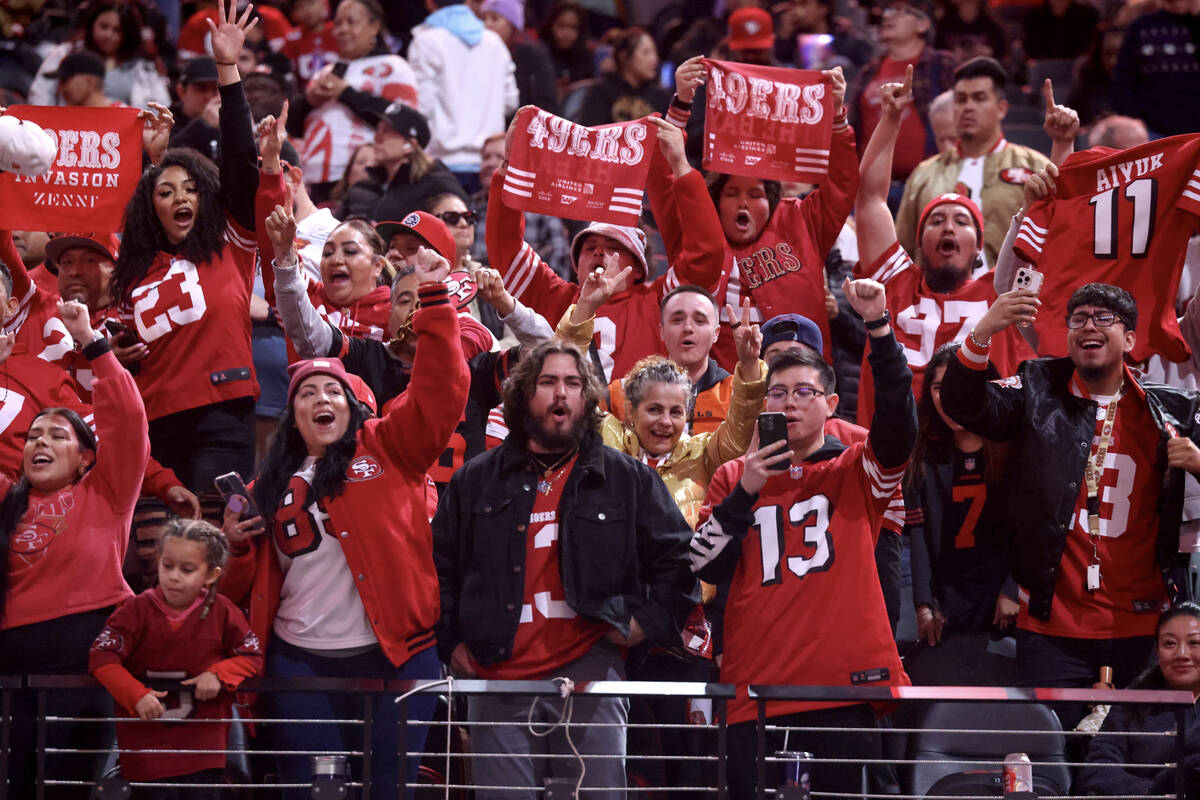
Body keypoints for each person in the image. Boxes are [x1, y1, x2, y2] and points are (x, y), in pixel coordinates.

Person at [433, 339, 698, 796]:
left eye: (573, 384)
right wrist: (450, 639)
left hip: (591, 669)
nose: (562, 393)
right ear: (522, 395)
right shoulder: (474, 479)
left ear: (586, 398)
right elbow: (437, 567)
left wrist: (644, 623)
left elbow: (680, 561)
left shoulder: (626, 477)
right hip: (496, 673)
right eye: (548, 382)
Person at [222, 313, 467, 798]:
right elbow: (230, 591)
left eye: (333, 391)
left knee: (388, 790)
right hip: (300, 660)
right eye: (307, 393)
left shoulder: (389, 448)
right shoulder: (258, 490)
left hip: (399, 656)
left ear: (355, 407)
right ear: (292, 415)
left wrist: (437, 311)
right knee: (312, 791)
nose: (321, 400)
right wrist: (233, 545)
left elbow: (442, 393)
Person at [692, 278, 916, 799]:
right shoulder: (732, 478)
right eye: (777, 392)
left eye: (803, 393)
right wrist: (746, 487)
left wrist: (879, 329)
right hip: (757, 692)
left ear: (831, 404)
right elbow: (703, 568)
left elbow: (900, 424)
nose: (789, 403)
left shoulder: (858, 471)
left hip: (845, 686)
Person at [940, 283, 1200, 721]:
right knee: (1055, 764)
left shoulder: (1176, 409)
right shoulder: (1035, 389)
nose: (1088, 327)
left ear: (1131, 339)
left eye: (1103, 318)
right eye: (1077, 319)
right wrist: (983, 331)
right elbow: (965, 404)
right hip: (1051, 628)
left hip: (1143, 628)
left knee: (1142, 762)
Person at [109, 1, 260, 497]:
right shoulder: (133, 269)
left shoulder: (232, 242)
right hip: (153, 426)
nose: (180, 198)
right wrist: (117, 351)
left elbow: (240, 159)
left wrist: (227, 70)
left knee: (216, 546)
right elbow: (120, 341)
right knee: (163, 559)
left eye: (191, 188)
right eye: (165, 190)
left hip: (222, 416)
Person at [0, 299, 150, 798]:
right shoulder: (6, 498)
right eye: (33, 435)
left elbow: (127, 419)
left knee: (71, 791)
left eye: (57, 435)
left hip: (83, 662)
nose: (39, 442)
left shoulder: (105, 490)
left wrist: (94, 344)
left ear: (87, 458)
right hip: (9, 670)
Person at [854, 67, 1034, 423]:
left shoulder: (1004, 294)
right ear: (918, 242)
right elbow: (870, 197)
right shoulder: (894, 281)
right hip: (900, 445)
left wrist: (1061, 149)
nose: (948, 226)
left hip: (978, 443)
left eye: (961, 221)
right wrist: (891, 119)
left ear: (979, 248)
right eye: (936, 221)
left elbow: (1051, 234)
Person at [489, 112, 725, 383]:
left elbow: (706, 254)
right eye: (589, 247)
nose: (599, 253)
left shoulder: (661, 300)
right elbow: (506, 249)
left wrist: (681, 166)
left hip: (648, 423)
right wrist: (509, 167)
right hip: (573, 424)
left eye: (614, 248)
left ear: (638, 268)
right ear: (576, 266)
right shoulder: (558, 298)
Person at [664, 57, 857, 372]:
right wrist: (681, 106)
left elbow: (843, 185)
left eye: (755, 194)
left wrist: (836, 116)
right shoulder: (697, 238)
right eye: (732, 193)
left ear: (771, 199)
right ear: (715, 200)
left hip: (796, 387)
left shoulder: (801, 221)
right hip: (716, 396)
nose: (743, 203)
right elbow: (665, 180)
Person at [90, 519, 263, 796]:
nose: (174, 576)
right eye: (167, 566)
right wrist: (135, 694)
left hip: (204, 753)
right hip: (144, 753)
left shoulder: (223, 611)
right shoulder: (134, 610)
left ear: (211, 575)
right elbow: (102, 657)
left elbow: (251, 656)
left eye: (187, 570)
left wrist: (220, 674)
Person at [904, 343, 1018, 686]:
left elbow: (1031, 527)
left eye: (959, 386)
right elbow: (919, 533)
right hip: (947, 598)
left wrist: (1013, 588)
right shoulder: (923, 454)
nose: (949, 397)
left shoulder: (1013, 449)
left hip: (1002, 598)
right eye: (939, 388)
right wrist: (924, 602)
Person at [895, 58, 1077, 267]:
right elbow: (904, 250)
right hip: (937, 297)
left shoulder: (1034, 165)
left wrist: (1063, 143)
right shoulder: (924, 173)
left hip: (1012, 295)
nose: (968, 107)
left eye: (979, 98)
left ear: (1002, 108)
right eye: (961, 99)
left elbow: (1063, 232)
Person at [286, 0, 418, 198]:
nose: (342, 30)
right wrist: (308, 100)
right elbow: (293, 127)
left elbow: (404, 122)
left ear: (374, 26)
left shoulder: (394, 67)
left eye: (351, 22)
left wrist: (346, 94)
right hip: (314, 179)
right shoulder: (327, 70)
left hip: (364, 177)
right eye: (338, 23)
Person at [1076, 602, 1200, 796]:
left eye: (1194, 643)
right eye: (1169, 643)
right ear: (1157, 652)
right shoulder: (1132, 702)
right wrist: (1153, 792)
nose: (1182, 654)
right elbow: (1097, 768)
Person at [407, 0, 519, 193]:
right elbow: (511, 102)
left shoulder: (425, 41)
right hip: (490, 165)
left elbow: (422, 108)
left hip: (441, 165)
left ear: (429, 3)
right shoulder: (494, 42)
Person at [848, 0, 956, 185]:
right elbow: (854, 127)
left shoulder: (942, 65)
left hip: (929, 182)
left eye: (902, 11)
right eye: (889, 11)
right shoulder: (869, 71)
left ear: (923, 24)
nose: (889, 17)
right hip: (871, 185)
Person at [336, 100, 466, 221]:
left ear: (410, 145)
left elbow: (463, 227)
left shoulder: (436, 185)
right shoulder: (362, 187)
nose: (377, 137)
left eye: (386, 131)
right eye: (378, 129)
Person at [468, 132, 573, 280]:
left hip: (526, 299)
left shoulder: (541, 207)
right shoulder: (468, 207)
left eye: (499, 157)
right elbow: (460, 262)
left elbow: (559, 261)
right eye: (486, 157)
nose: (490, 163)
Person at [28, 0, 169, 108]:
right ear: (92, 24)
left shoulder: (142, 66)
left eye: (117, 30)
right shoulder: (66, 53)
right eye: (103, 26)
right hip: (66, 131)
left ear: (127, 35)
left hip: (123, 134)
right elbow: (40, 94)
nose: (108, 34)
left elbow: (160, 105)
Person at [1113, 0, 1200, 137]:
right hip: (1152, 131)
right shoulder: (1141, 26)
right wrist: (1134, 120)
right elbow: (1122, 79)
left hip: (1195, 130)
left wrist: (1195, 14)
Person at [575, 27, 670, 127]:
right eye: (646, 52)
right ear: (624, 56)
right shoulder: (600, 92)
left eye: (654, 52)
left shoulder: (661, 97)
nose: (654, 59)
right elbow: (591, 133)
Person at [482, 0, 560, 112]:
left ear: (512, 25)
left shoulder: (533, 54)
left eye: (495, 19)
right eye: (483, 19)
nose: (487, 24)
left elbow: (546, 102)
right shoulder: (480, 54)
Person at [537, 0, 593, 93]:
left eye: (573, 27)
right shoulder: (539, 55)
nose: (567, 33)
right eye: (562, 26)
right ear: (551, 25)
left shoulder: (585, 57)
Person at [1022, 0, 1100, 60]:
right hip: (1041, 72)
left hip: (1079, 73)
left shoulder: (1088, 15)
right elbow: (1030, 50)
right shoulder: (1032, 16)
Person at [50, 51, 119, 107]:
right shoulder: (65, 119)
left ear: (90, 82)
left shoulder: (125, 118)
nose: (59, 90)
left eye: (65, 81)